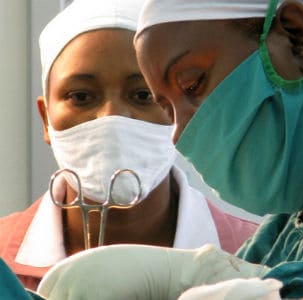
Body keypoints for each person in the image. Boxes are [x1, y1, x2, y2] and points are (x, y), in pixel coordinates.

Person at [36, 0, 303, 299]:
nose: (179, 135)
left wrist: (189, 277)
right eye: (167, 107)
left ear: (296, 35)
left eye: (192, 84)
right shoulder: (285, 235)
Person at [0, 0, 258, 291]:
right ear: (46, 118)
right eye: (82, 97)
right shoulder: (2, 262)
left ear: (181, 110)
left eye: (143, 95)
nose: (112, 117)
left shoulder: (256, 259)